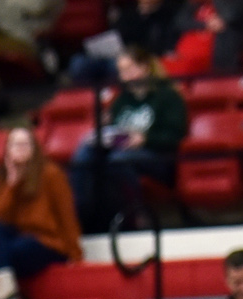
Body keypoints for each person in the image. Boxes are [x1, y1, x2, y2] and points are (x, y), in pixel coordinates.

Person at [72, 48, 186, 232]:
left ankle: (135, 216)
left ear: (145, 68)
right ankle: (82, 214)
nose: (125, 76)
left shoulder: (168, 97)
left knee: (118, 160)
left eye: (130, 69)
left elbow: (174, 135)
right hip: (122, 148)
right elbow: (117, 128)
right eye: (122, 71)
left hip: (157, 155)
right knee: (86, 153)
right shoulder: (123, 99)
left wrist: (145, 139)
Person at [0, 126, 80, 299]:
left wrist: (75, 254)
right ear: (7, 150)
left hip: (47, 241)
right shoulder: (5, 179)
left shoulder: (51, 174)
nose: (19, 148)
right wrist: (12, 184)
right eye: (14, 144)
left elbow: (66, 215)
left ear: (34, 148)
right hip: (16, 237)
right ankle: (6, 297)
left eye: (24, 144)